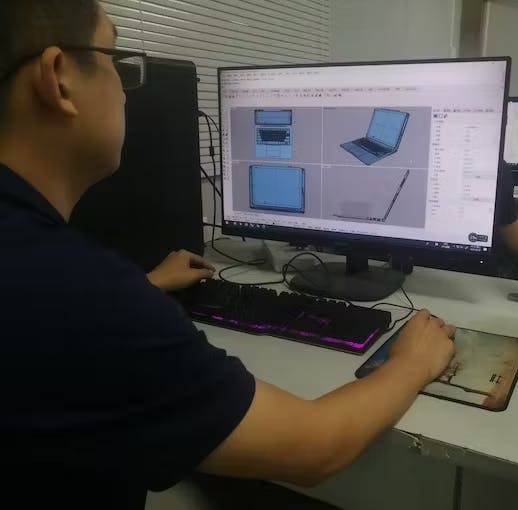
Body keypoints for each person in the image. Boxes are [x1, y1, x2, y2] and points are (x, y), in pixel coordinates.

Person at [0, 2, 455, 508]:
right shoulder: (78, 293)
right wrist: (411, 362)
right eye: (116, 62)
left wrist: (144, 288)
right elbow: (313, 449)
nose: (127, 93)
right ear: (59, 79)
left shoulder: (45, 278)